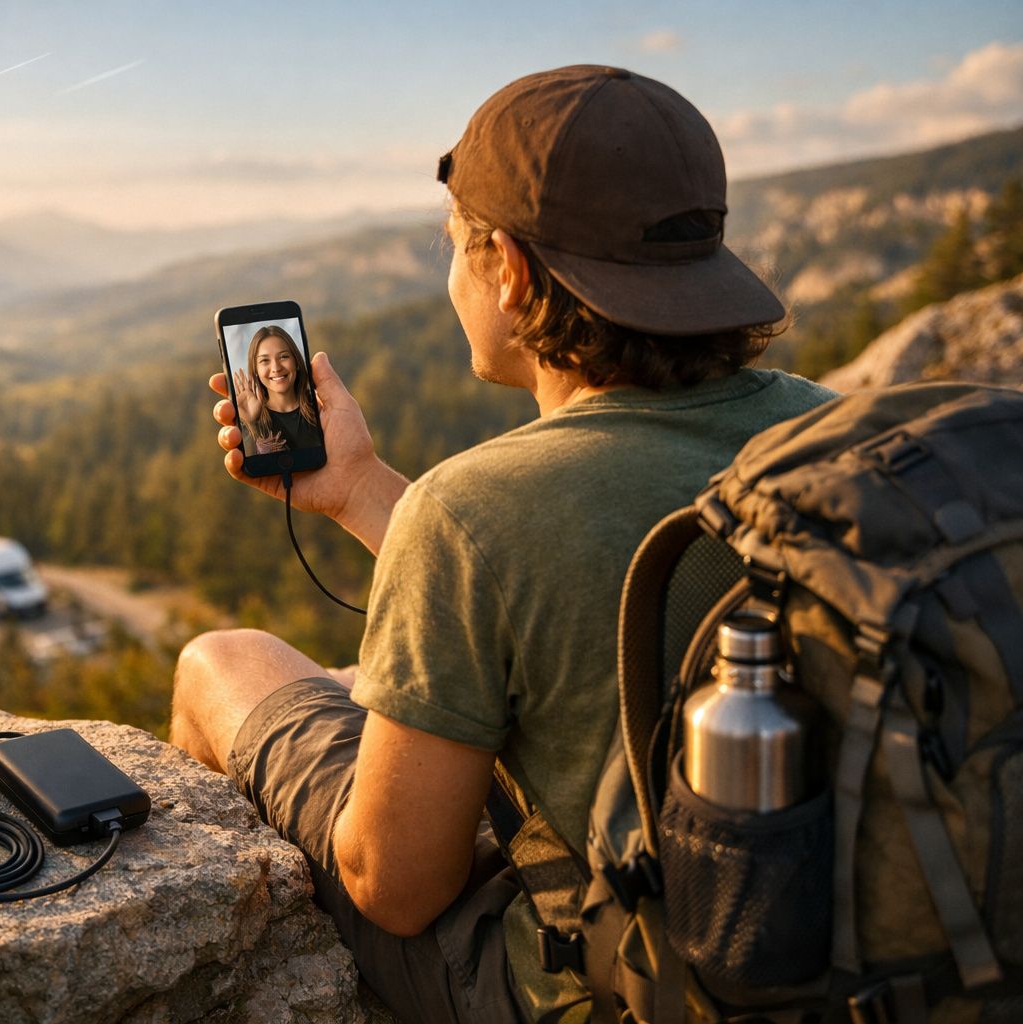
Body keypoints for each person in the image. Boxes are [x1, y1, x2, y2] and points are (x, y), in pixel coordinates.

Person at [169, 65, 837, 1023]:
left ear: (512, 271)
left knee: (220, 661)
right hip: (832, 942)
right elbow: (555, 568)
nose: (451, 277)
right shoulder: (831, 430)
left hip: (616, 987)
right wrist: (358, 487)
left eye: (455, 246)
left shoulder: (473, 513)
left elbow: (394, 887)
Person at [231, 324, 324, 455]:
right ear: (255, 370)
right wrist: (251, 424)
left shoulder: (319, 406)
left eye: (283, 357)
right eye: (264, 360)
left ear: (296, 361)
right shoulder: (252, 418)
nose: (276, 368)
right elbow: (251, 468)